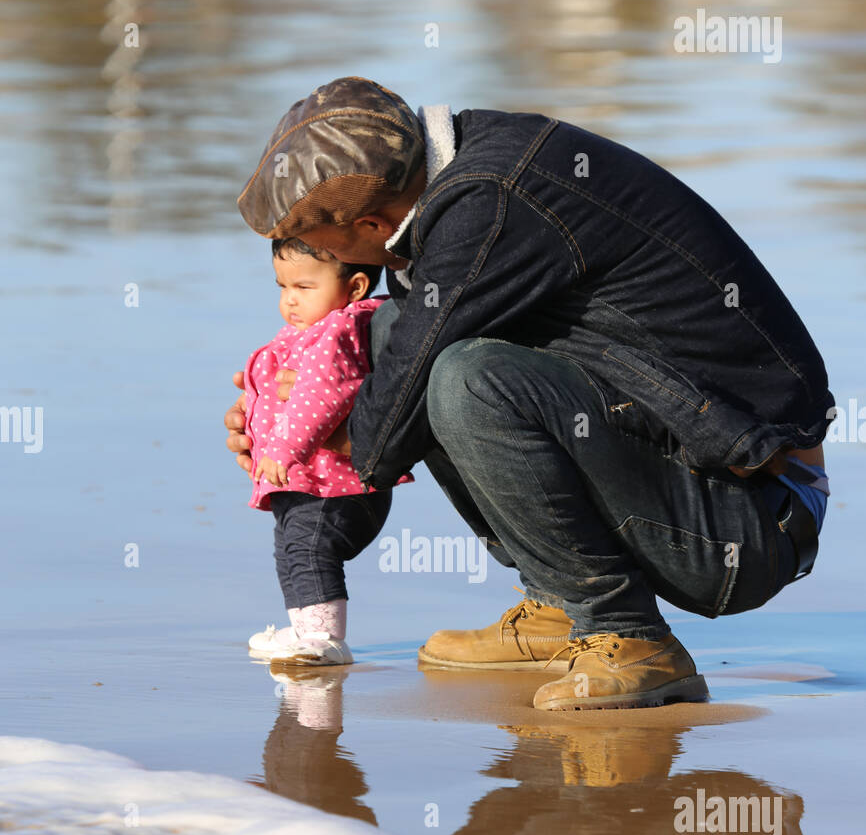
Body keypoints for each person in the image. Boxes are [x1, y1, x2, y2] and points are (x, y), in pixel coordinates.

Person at [226, 78, 832, 709]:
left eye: (329, 252)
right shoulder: (461, 168)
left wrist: (292, 433)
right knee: (390, 336)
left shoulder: (487, 204)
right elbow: (390, 363)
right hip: (693, 468)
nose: (332, 268)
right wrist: (290, 404)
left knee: (463, 376)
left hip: (751, 517)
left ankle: (628, 636)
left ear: (376, 223)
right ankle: (558, 607)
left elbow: (377, 445)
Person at [242, 235, 410, 666]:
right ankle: (303, 631)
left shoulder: (336, 333)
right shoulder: (307, 333)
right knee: (291, 549)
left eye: (303, 287)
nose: (289, 301)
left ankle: (324, 638)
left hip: (337, 486)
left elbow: (324, 395)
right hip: (308, 481)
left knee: (312, 548)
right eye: (282, 287)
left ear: (353, 287)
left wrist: (283, 450)